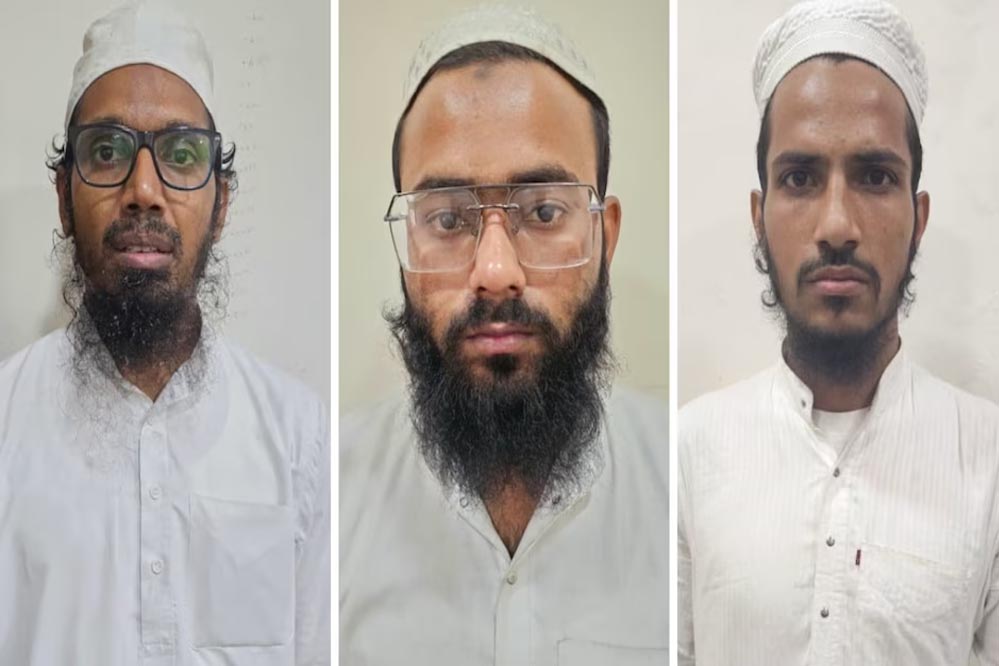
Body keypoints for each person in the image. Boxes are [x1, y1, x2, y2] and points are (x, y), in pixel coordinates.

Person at [0, 3, 330, 664]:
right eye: (106, 151)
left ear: (221, 203)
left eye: (181, 155)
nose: (144, 190)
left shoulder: (299, 437)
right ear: (64, 198)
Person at [340, 6, 668, 665]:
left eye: (543, 212)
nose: (495, 273)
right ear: (408, 245)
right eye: (447, 218)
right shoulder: (331, 496)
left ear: (604, 236)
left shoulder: (679, 485)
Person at [678, 1, 999, 663]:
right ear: (759, 215)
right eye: (799, 178)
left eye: (874, 177)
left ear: (918, 218)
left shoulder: (987, 460)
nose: (835, 226)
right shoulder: (688, 453)